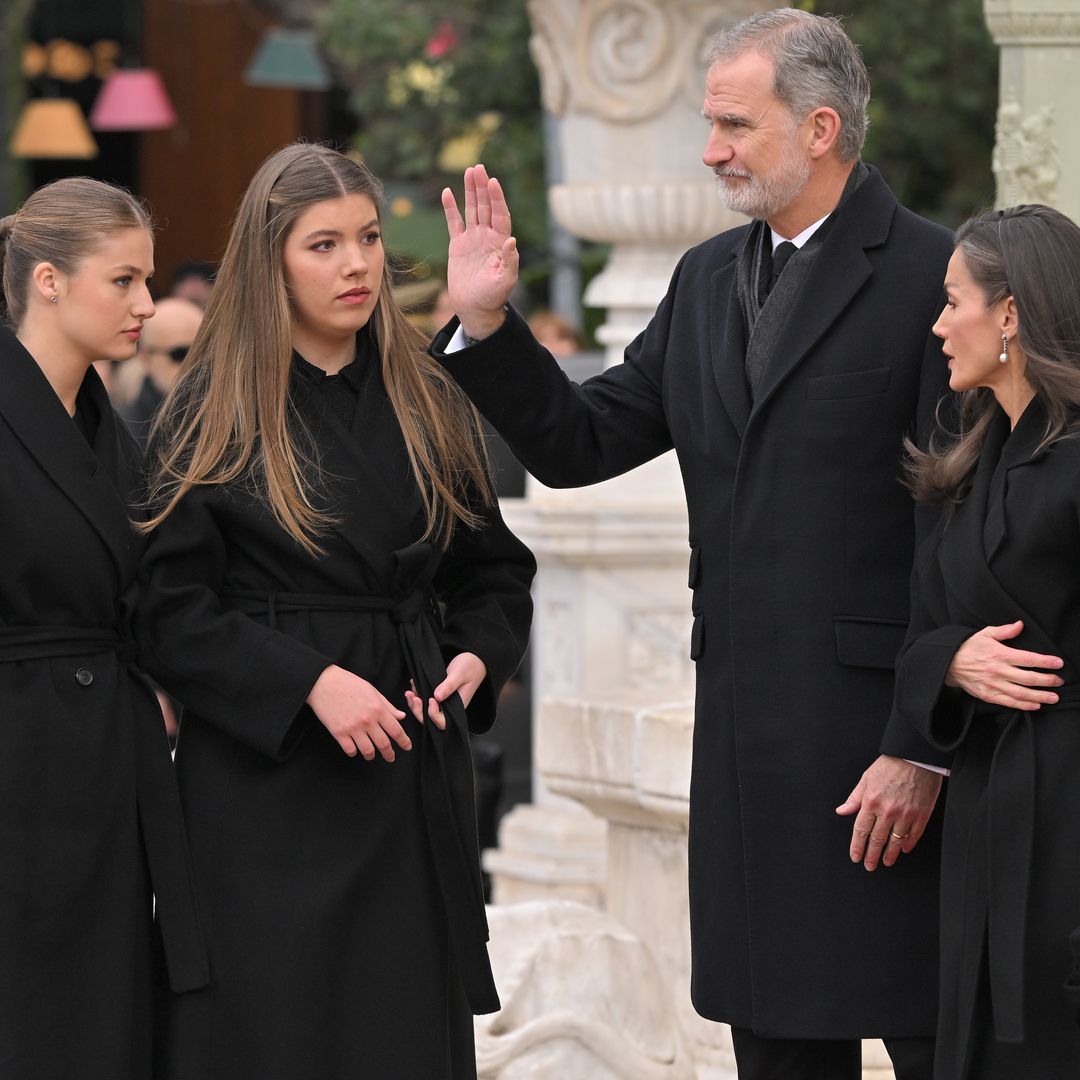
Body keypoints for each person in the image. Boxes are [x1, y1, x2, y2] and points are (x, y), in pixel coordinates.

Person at [435, 10, 953, 1079]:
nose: (709, 149)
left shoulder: (931, 277)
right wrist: (489, 327)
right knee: (768, 1040)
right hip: (744, 746)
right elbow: (584, 441)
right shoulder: (707, 278)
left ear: (819, 128)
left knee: (931, 1036)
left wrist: (922, 743)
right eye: (707, 123)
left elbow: (962, 536)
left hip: (879, 755)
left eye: (731, 123)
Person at [136, 142, 535, 1079]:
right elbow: (166, 612)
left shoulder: (427, 394)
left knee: (399, 1031)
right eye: (323, 245)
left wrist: (475, 655)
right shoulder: (211, 412)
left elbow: (493, 571)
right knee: (276, 1030)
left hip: (408, 766)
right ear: (269, 260)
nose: (356, 264)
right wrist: (308, 683)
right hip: (266, 787)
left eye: (365, 238)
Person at [0, 178, 207, 1078]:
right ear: (48, 280)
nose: (146, 304)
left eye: (146, 280)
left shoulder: (113, 429)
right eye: (121, 281)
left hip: (106, 769)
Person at [888, 203, 1080, 1078]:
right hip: (984, 811)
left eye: (952, 299)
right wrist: (952, 662)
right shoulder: (970, 461)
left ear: (1009, 314)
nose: (937, 323)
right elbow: (929, 631)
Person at [120, 296, 203, 449]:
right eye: (180, 354)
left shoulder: (228, 424)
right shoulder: (120, 432)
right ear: (147, 359)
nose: (193, 364)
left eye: (203, 352)